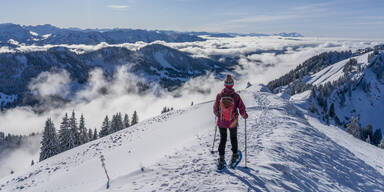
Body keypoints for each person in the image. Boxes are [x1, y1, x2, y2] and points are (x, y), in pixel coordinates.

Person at [213, 74, 248, 170]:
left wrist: (218, 115)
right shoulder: (236, 96)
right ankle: (235, 155)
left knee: (222, 139)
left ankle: (221, 159)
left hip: (222, 122)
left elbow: (215, 109)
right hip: (233, 122)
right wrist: (244, 115)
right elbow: (241, 108)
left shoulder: (219, 95)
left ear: (224, 84)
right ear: (232, 85)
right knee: (233, 138)